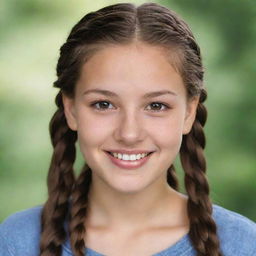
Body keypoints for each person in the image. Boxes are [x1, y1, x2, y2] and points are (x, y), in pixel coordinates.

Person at [0, 2, 255, 256]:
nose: (129, 133)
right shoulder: (16, 242)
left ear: (189, 112)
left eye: (156, 105)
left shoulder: (244, 245)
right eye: (104, 104)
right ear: (71, 110)